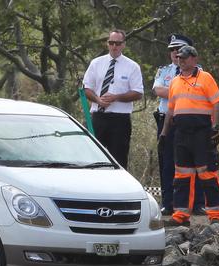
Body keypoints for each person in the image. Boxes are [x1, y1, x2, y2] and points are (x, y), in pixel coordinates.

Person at [159, 45, 219, 226]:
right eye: (179, 58)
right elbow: (170, 111)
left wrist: (216, 127)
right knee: (182, 175)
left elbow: (217, 103)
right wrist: (164, 134)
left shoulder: (205, 78)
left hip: (201, 133)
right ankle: (181, 215)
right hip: (181, 133)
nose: (181, 61)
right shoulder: (174, 81)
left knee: (207, 173)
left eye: (185, 58)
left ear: (194, 59)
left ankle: (216, 215)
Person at [153, 34, 205, 216]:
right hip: (166, 121)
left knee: (195, 162)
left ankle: (198, 203)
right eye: (172, 50)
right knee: (167, 163)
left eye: (179, 49)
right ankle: (168, 202)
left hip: (190, 122)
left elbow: (199, 92)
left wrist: (175, 92)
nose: (175, 53)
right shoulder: (164, 71)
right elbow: (158, 90)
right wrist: (180, 90)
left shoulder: (199, 73)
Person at [83, 29, 143, 168]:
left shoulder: (132, 66)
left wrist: (116, 97)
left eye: (118, 43)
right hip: (98, 117)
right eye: (111, 43)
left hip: (120, 120)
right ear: (107, 43)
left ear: (123, 45)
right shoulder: (96, 63)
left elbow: (138, 93)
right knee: (92, 158)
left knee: (119, 160)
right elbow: (86, 88)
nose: (114, 46)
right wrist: (98, 100)